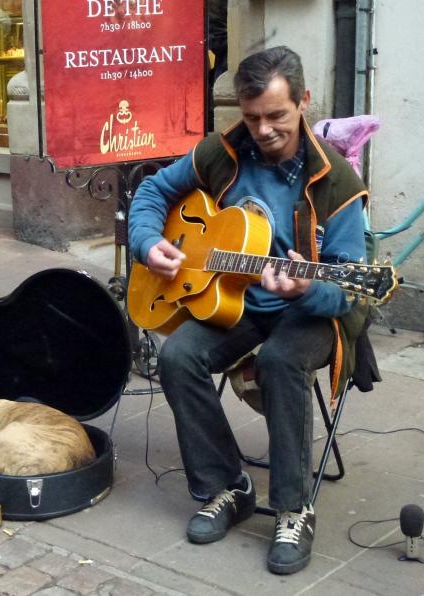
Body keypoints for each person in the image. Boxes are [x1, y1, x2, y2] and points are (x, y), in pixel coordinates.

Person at [128, 46, 369, 575]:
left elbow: (349, 291)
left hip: (309, 313)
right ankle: (226, 488)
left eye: (276, 115)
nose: (262, 129)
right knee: (178, 356)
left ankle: (292, 507)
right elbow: (152, 191)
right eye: (252, 116)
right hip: (236, 302)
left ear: (304, 101)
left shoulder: (339, 183)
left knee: (283, 361)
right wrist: (148, 243)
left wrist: (306, 288)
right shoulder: (222, 151)